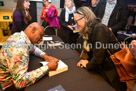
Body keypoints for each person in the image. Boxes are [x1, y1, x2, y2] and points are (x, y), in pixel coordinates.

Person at [74, 7, 126, 91]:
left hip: (111, 71)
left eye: (77, 21)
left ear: (86, 18)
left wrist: (87, 65)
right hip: (104, 68)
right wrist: (88, 60)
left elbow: (98, 57)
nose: (76, 24)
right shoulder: (91, 29)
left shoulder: (99, 29)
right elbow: (93, 52)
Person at [0, 22, 59, 91]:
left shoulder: (19, 36)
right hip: (9, 86)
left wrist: (45, 56)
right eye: (41, 35)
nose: (41, 40)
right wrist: (47, 67)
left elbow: (32, 48)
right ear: (33, 30)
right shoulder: (18, 48)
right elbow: (20, 82)